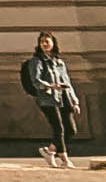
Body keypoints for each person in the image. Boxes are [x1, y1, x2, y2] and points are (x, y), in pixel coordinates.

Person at [24, 30, 81, 168]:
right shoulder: (36, 61)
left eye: (47, 41)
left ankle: (49, 151)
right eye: (41, 42)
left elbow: (68, 83)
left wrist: (75, 101)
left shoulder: (59, 63)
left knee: (71, 129)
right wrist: (51, 86)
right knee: (59, 128)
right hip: (47, 99)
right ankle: (64, 159)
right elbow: (36, 81)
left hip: (64, 98)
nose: (44, 44)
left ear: (53, 43)